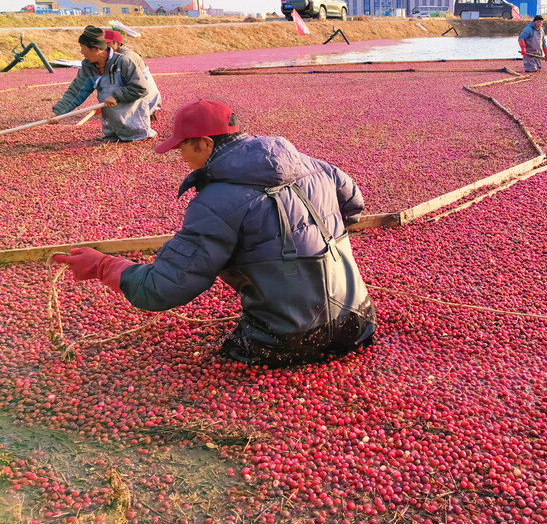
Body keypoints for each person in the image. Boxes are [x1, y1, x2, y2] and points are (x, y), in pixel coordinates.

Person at [53, 99, 376, 367]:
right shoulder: (319, 166)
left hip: (286, 340)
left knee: (237, 359)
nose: (180, 157)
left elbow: (163, 289)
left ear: (206, 143)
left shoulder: (216, 203)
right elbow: (353, 209)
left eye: (182, 148)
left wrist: (104, 266)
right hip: (359, 324)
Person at [51, 25, 156, 142]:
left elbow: (141, 87)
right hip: (111, 131)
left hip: (136, 128)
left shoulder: (123, 62)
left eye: (83, 47)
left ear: (96, 49)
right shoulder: (88, 68)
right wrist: (58, 112)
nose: (81, 52)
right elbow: (76, 91)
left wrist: (117, 96)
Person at [103, 29, 162, 121]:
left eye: (107, 44)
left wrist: (114, 97)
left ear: (117, 43)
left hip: (144, 92)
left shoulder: (127, 57)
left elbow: (136, 86)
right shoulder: (114, 55)